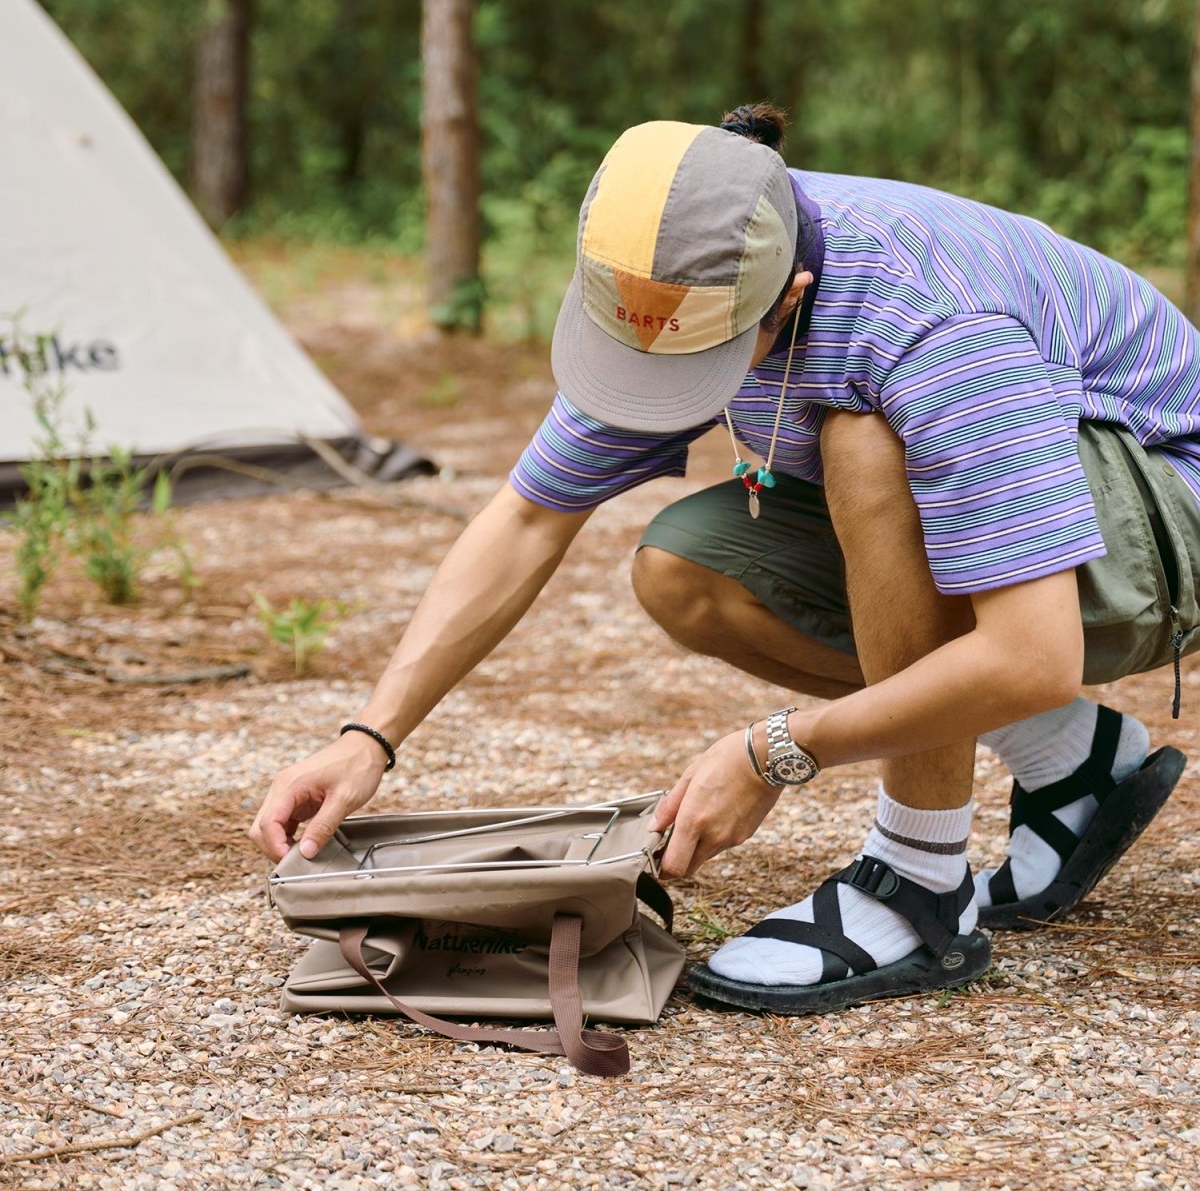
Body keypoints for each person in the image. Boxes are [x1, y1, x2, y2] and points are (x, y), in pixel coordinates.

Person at [251, 104, 1199, 1016]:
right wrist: (367, 737)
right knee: (688, 571)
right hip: (1037, 513)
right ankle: (1071, 761)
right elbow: (530, 518)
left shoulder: (932, 321)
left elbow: (1034, 657)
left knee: (865, 444)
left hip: (1165, 528)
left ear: (787, 295)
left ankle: (918, 887)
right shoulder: (681, 264)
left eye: (699, 361)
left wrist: (775, 751)